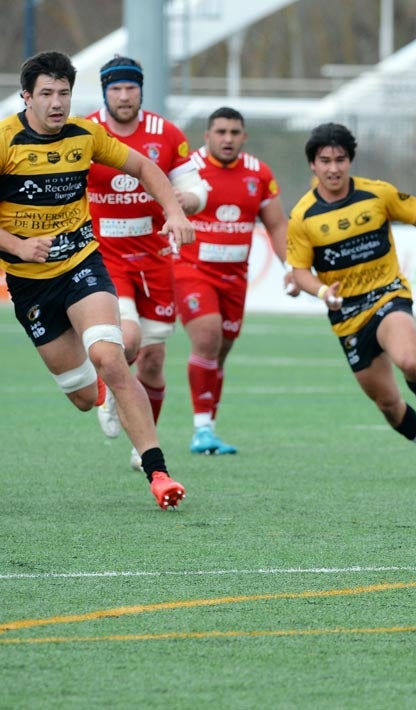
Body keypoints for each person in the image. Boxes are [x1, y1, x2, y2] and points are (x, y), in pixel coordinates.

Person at [0, 51, 188, 509]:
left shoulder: (86, 135)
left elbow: (144, 167)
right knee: (84, 397)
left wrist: (175, 210)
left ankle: (158, 473)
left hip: (82, 264)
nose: (57, 103)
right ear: (26, 97)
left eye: (64, 93)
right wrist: (18, 246)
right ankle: (102, 389)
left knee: (110, 355)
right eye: (46, 93)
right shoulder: (5, 141)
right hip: (30, 285)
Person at [287, 122, 416, 480]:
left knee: (409, 361)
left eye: (340, 159)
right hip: (347, 317)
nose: (333, 168)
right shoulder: (303, 216)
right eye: (325, 160)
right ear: (313, 164)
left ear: (350, 160)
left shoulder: (377, 194)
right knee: (387, 404)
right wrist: (323, 292)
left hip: (387, 295)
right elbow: (299, 271)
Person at [85, 55, 208, 470]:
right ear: (105, 92)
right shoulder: (86, 132)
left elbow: (194, 187)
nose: (123, 96)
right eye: (115, 88)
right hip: (103, 258)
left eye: (130, 88)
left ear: (141, 90)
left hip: (154, 258)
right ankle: (111, 388)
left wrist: (184, 202)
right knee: (130, 339)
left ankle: (143, 446)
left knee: (154, 362)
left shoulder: (165, 133)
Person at [175, 106, 294, 456]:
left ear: (244, 137)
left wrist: (291, 265)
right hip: (190, 270)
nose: (227, 139)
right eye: (221, 132)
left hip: (234, 278)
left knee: (220, 353)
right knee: (207, 337)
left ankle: (208, 428)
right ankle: (201, 429)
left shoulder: (258, 173)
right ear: (207, 136)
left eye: (234, 132)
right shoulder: (188, 170)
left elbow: (275, 225)